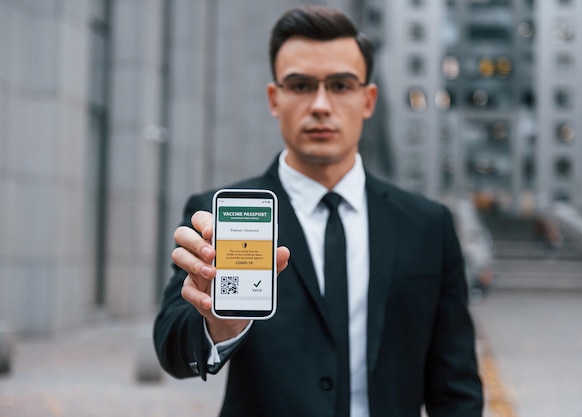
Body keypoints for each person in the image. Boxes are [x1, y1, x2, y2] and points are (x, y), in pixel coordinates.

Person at [153, 5, 483, 417]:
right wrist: (219, 324)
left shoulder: (427, 225)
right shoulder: (219, 217)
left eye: (341, 85)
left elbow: (456, 386)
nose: (321, 105)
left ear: (368, 99)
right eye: (302, 85)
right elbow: (171, 347)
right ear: (275, 99)